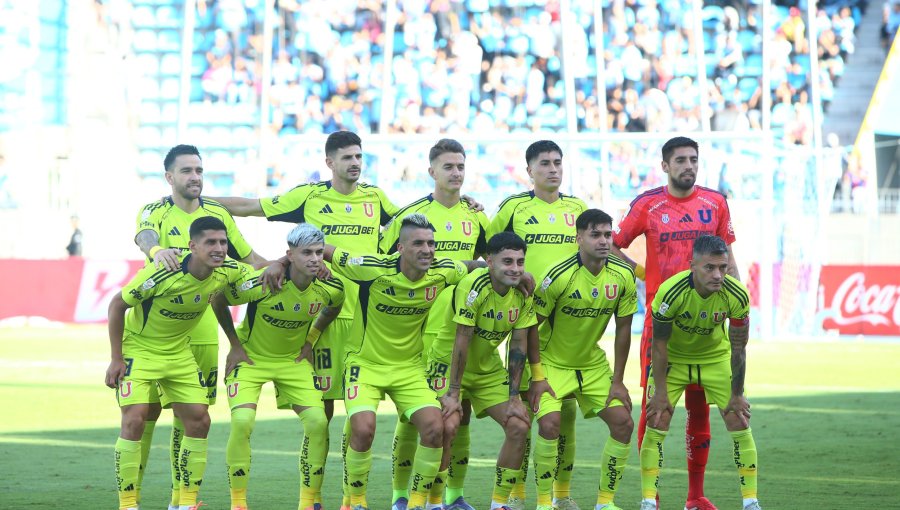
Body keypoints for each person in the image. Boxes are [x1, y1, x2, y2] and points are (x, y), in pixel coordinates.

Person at [213, 131, 400, 510]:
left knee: (359, 410)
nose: (355, 163)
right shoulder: (309, 196)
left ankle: (352, 499)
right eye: (346, 157)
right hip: (322, 320)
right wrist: (199, 203)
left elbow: (415, 227)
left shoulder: (376, 198)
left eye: (359, 156)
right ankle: (313, 498)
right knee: (322, 413)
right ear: (329, 161)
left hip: (364, 319)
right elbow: (251, 206)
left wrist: (467, 207)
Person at [325, 213, 495, 510]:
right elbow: (324, 249)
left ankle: (417, 504)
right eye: (418, 243)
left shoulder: (442, 270)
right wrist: (282, 262)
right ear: (400, 248)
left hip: (409, 369)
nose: (427, 250)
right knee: (363, 429)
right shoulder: (371, 269)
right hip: (365, 366)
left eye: (431, 243)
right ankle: (356, 503)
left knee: (435, 428)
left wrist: (516, 274)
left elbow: (473, 266)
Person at [133, 144, 269, 510]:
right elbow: (145, 236)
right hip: (156, 332)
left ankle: (181, 500)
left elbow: (250, 257)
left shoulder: (216, 214)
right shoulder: (155, 211)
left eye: (199, 170)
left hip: (203, 330)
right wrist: (155, 251)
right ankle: (133, 497)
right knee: (144, 414)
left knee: (192, 415)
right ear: (170, 177)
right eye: (187, 171)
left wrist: (284, 268)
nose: (195, 177)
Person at [612, 136, 738, 510]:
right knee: (656, 409)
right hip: (662, 325)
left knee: (700, 411)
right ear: (665, 166)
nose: (689, 165)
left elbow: (727, 255)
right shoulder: (648, 205)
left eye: (693, 159)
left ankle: (695, 496)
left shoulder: (715, 203)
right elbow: (612, 244)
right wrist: (643, 272)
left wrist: (736, 297)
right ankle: (651, 497)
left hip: (706, 325)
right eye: (680, 160)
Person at [105, 216, 253, 510]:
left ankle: (184, 504)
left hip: (179, 353)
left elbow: (259, 274)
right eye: (211, 242)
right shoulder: (162, 272)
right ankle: (127, 504)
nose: (219, 248)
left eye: (223, 242)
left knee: (200, 421)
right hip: (140, 350)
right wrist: (116, 358)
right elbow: (117, 305)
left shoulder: (227, 271)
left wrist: (281, 265)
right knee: (134, 420)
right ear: (193, 246)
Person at [379, 139, 490, 510]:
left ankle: (450, 495)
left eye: (460, 166)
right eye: (448, 167)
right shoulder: (410, 217)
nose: (456, 173)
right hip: (421, 330)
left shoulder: (476, 217)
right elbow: (382, 267)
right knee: (414, 416)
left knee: (461, 414)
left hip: (465, 329)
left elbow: (493, 263)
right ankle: (400, 495)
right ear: (432, 171)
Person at [213, 223, 344, 510]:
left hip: (292, 362)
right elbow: (219, 298)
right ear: (290, 255)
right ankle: (238, 503)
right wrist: (234, 345)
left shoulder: (330, 285)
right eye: (306, 252)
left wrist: (311, 340)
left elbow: (335, 306)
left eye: (319, 252)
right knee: (242, 422)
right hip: (251, 360)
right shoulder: (266, 280)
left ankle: (308, 503)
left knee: (318, 422)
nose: (314, 259)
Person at [490, 140, 588, 510]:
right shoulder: (515, 206)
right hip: (526, 322)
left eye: (558, 162)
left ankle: (561, 495)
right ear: (529, 170)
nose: (552, 169)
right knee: (528, 409)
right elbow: (490, 247)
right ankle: (515, 494)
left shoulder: (577, 208)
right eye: (544, 163)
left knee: (565, 412)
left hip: (569, 324)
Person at [638, 235, 760, 510]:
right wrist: (658, 392)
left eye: (723, 267)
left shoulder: (737, 294)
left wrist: (737, 393)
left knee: (739, 419)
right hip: (675, 360)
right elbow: (658, 347)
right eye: (710, 268)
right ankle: (648, 502)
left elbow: (739, 347)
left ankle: (751, 502)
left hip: (715, 359)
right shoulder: (670, 293)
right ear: (693, 265)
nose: (718, 275)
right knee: (657, 419)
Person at [527, 209, 637, 510]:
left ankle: (605, 502)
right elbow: (530, 327)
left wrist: (617, 381)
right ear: (579, 238)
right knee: (549, 424)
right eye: (595, 235)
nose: (603, 241)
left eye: (607, 235)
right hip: (552, 362)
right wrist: (536, 375)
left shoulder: (623, 275)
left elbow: (624, 329)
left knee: (624, 423)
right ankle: (544, 503)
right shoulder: (558, 276)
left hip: (592, 366)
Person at [432, 231, 535, 510]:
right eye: (507, 261)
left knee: (519, 425)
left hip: (487, 370)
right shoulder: (472, 285)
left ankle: (499, 504)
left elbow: (518, 344)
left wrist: (514, 397)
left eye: (520, 262)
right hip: (449, 363)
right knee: (448, 425)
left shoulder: (523, 293)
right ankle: (436, 502)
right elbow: (462, 337)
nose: (515, 268)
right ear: (489, 261)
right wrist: (453, 393)